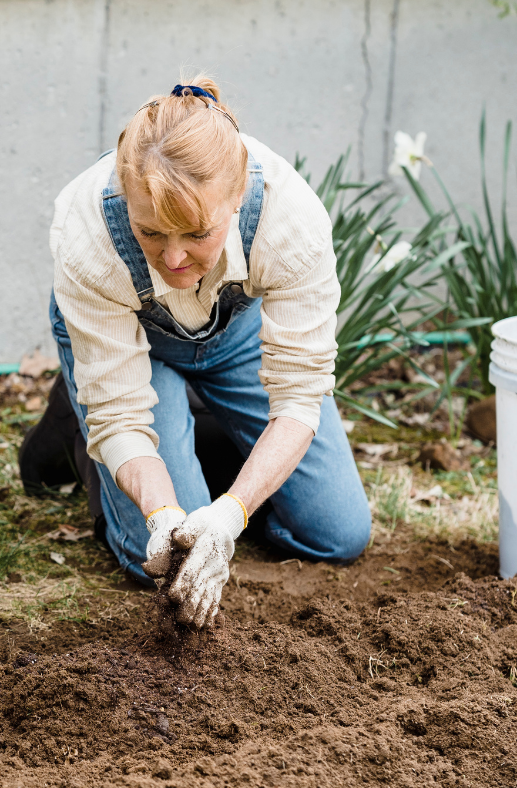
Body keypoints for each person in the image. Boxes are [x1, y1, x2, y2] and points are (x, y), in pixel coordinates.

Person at [19, 75, 371, 629]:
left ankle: (188, 432)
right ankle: (81, 414)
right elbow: (122, 420)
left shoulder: (289, 220)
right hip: (134, 342)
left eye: (197, 233)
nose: (174, 257)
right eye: (151, 233)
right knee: (160, 559)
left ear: (236, 197)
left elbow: (299, 400)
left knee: (339, 535)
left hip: (236, 339)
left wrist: (229, 516)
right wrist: (163, 515)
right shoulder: (88, 234)